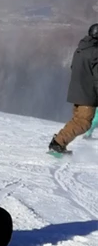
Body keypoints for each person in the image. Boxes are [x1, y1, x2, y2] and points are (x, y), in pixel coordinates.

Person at [49, 23, 98, 154]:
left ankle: (59, 143)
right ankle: (58, 143)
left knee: (78, 120)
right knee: (83, 123)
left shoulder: (81, 50)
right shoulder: (95, 53)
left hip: (77, 92)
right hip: (87, 94)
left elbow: (74, 68)